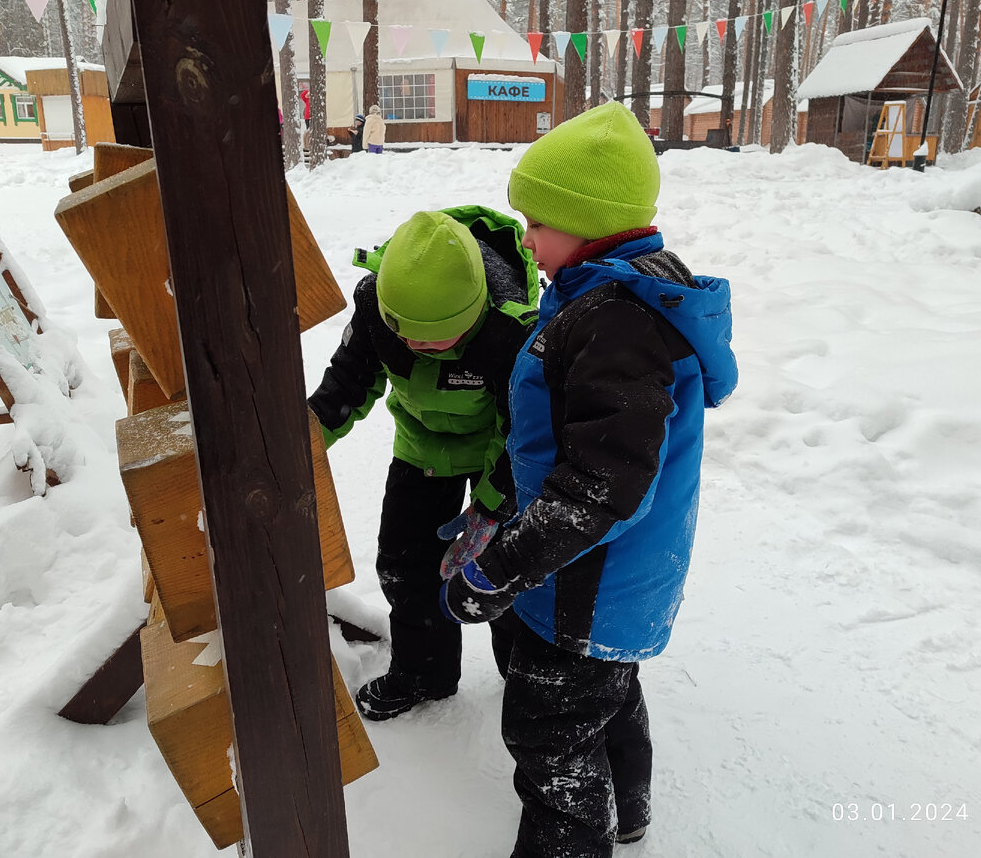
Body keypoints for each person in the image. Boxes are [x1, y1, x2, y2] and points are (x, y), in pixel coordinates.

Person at [441, 102, 738, 857]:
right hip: (611, 580)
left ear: (589, 220)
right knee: (607, 692)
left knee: (551, 740)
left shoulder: (616, 323)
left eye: (538, 222)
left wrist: (501, 568)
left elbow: (603, 486)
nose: (526, 239)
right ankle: (628, 812)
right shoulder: (610, 293)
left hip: (585, 581)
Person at [310, 207, 539, 721]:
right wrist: (296, 443)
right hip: (423, 448)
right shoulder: (376, 305)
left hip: (496, 455)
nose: (414, 346)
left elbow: (521, 430)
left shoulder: (509, 328)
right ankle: (425, 671)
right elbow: (346, 385)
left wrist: (491, 508)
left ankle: (523, 674)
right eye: (403, 333)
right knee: (404, 564)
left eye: (433, 338)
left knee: (500, 570)